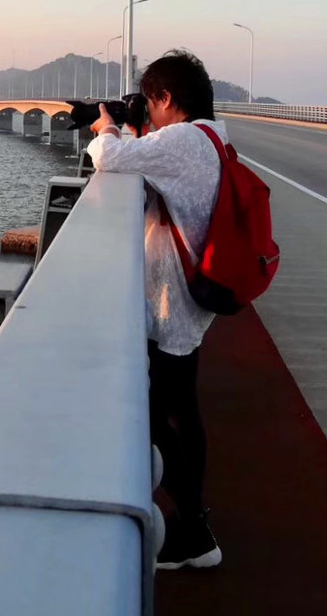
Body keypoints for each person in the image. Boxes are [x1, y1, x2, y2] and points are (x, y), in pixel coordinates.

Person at [87, 49, 226, 570]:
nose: (148, 113)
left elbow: (109, 158)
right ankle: (195, 523)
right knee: (183, 409)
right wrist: (130, 128)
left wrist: (106, 127)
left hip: (173, 303)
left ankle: (196, 533)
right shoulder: (213, 136)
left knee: (149, 416)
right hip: (190, 300)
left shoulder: (185, 140)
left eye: (150, 103)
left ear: (166, 98)